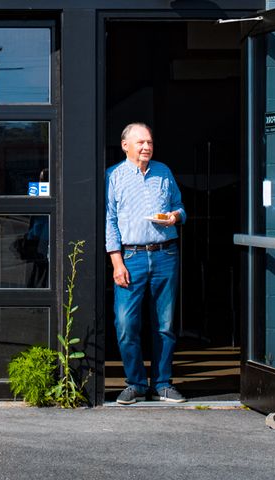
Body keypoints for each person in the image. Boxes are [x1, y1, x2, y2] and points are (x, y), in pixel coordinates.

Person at [105, 122, 187, 405]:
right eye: (140, 142)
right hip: (131, 257)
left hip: (166, 255)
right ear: (125, 145)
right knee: (126, 323)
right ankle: (136, 383)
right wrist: (117, 262)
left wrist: (175, 216)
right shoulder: (113, 176)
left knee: (164, 325)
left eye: (150, 142)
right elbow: (109, 222)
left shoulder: (164, 172)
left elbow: (181, 207)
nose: (146, 147)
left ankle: (163, 383)